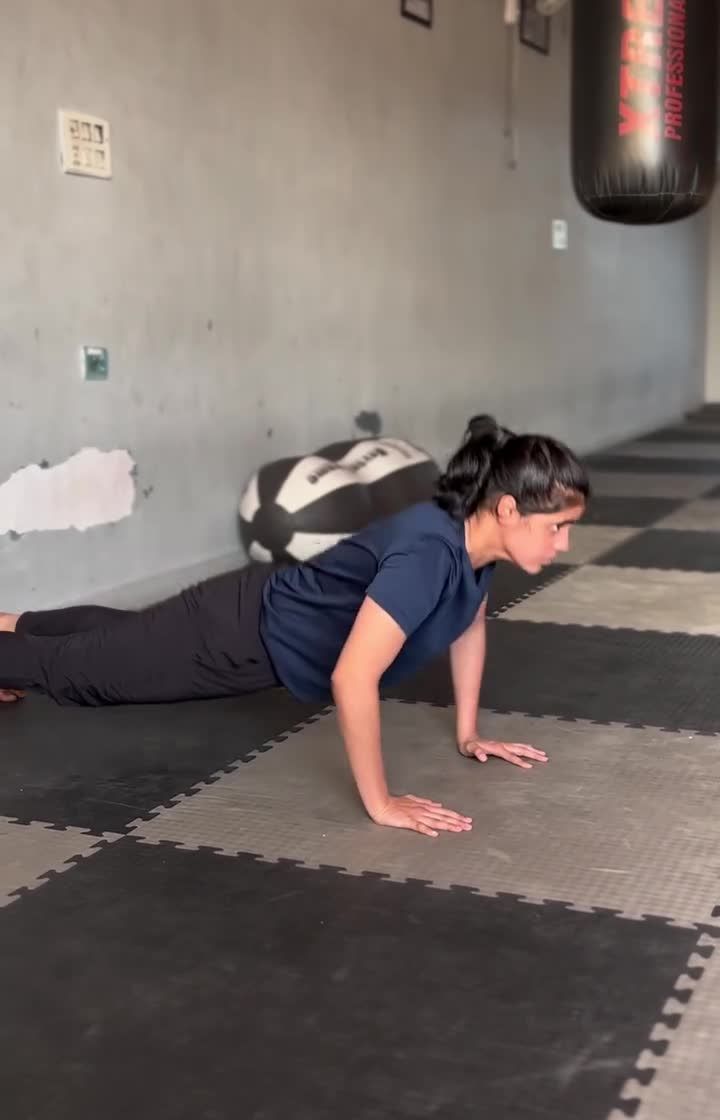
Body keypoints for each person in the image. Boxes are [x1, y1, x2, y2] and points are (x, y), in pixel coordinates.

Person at [0, 415, 589, 838]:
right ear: (508, 509)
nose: (563, 545)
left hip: (247, 613)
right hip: (237, 638)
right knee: (86, 676)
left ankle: (11, 624)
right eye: (557, 527)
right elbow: (352, 678)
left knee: (120, 639)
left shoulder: (473, 543)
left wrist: (469, 733)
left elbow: (467, 625)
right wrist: (382, 803)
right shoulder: (430, 553)